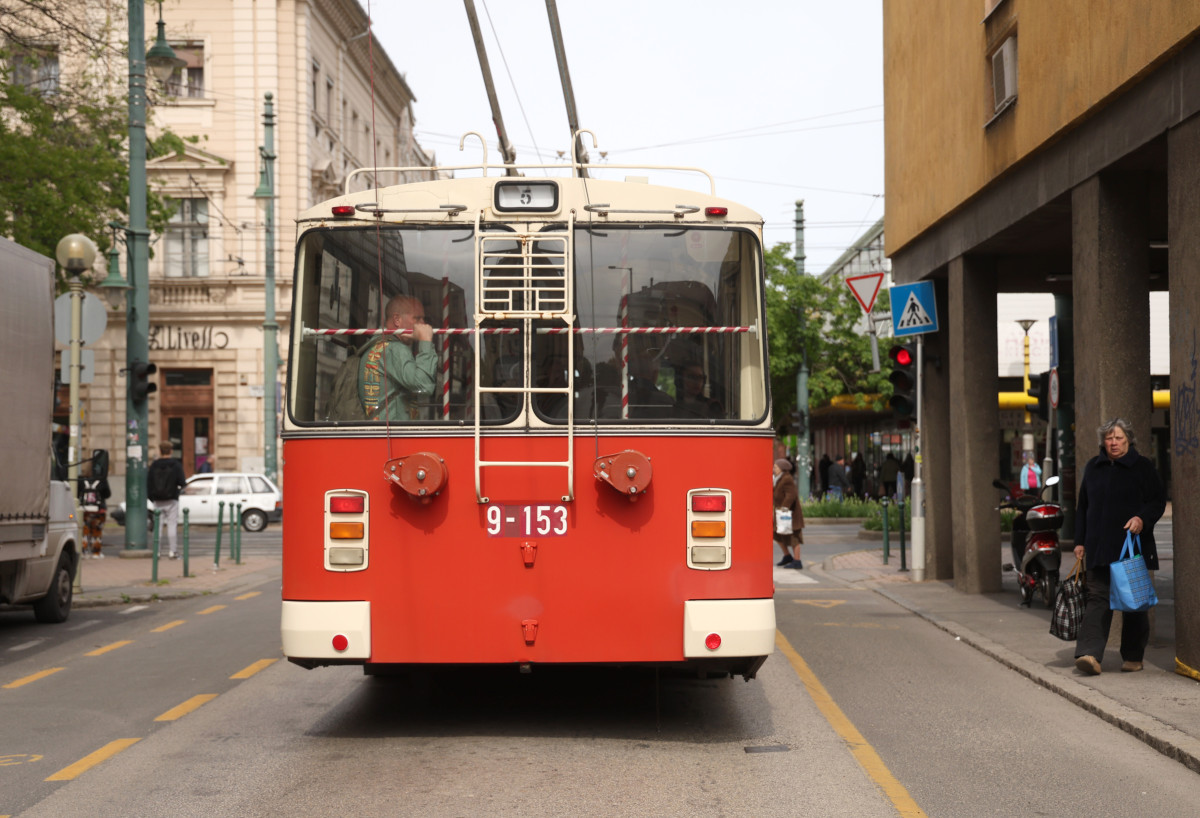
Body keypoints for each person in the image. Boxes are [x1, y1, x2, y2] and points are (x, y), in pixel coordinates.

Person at [1073, 418, 1165, 676]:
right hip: (1099, 547)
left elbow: (1158, 501)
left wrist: (1141, 519)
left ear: (1129, 440)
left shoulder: (1142, 467)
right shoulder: (1094, 467)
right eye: (1109, 438)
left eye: (1119, 438)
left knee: (1133, 603)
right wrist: (1080, 541)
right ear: (1103, 441)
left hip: (1131, 547)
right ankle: (1089, 654)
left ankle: (1134, 656)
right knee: (1097, 599)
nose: (1113, 443)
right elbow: (1083, 507)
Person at [359, 294, 438, 421]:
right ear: (397, 320)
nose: (423, 324)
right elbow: (424, 386)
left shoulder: (377, 345)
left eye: (423, 319)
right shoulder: (395, 349)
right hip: (394, 436)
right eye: (417, 319)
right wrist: (425, 341)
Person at [146, 442, 187, 560]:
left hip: (157, 500)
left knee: (157, 527)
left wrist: (152, 497)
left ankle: (157, 552)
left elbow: (149, 483)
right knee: (172, 526)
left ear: (160, 451)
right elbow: (182, 482)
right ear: (171, 451)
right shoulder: (176, 464)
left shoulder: (154, 465)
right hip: (171, 499)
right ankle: (172, 552)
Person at [772, 458, 805, 568]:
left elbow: (791, 495)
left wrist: (784, 508)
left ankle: (797, 561)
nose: (773, 469)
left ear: (782, 469)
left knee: (794, 537)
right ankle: (787, 556)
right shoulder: (778, 479)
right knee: (776, 534)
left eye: (775, 467)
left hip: (790, 514)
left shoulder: (787, 479)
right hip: (780, 513)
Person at [78, 464, 111, 559]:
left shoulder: (81, 480)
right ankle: (96, 553)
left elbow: (77, 493)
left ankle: (83, 552)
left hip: (84, 510)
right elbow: (107, 494)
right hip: (99, 511)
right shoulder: (102, 480)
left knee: (84, 531)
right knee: (97, 532)